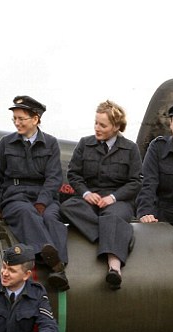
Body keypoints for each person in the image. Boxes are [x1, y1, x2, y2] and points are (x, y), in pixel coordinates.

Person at [0, 95, 69, 291]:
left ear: (36, 119)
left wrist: (42, 202)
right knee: (26, 213)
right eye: (14, 119)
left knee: (51, 217)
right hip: (15, 195)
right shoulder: (6, 144)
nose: (17, 123)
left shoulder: (50, 143)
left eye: (21, 119)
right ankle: (55, 264)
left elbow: (53, 178)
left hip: (44, 195)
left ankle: (57, 265)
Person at [60, 100, 141, 289]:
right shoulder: (85, 144)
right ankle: (115, 235)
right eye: (96, 123)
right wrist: (86, 193)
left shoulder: (130, 149)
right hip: (91, 199)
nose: (97, 128)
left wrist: (113, 198)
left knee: (112, 217)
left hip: (117, 200)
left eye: (102, 125)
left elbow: (136, 181)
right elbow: (73, 174)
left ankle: (114, 268)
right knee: (66, 207)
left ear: (116, 127)